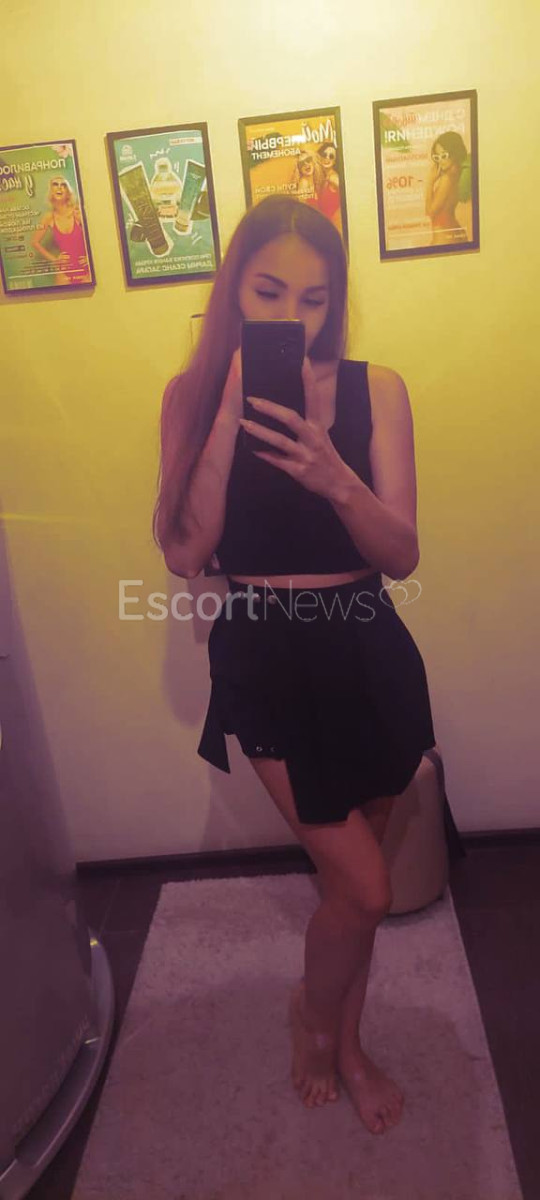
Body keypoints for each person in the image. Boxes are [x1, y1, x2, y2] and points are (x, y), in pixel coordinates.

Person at [153, 195, 464, 1136]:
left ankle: (349, 1044)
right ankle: (312, 1016)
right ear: (234, 288)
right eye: (269, 291)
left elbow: (402, 553)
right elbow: (185, 552)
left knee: (348, 896)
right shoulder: (187, 397)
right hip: (264, 650)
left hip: (367, 644)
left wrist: (335, 475)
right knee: (367, 888)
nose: (294, 315)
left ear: (337, 300)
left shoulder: (381, 389)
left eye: (316, 298)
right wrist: (225, 408)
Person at [31, 176, 91, 285]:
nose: (59, 187)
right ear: (51, 191)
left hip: (86, 271)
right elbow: (34, 242)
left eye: (63, 185)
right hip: (63, 273)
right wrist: (54, 260)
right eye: (55, 184)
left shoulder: (77, 211)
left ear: (68, 192)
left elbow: (96, 235)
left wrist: (90, 257)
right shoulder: (49, 217)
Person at [424, 131, 470, 246]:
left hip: (444, 237)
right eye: (437, 157)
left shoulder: (447, 178)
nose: (440, 160)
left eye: (444, 155)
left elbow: (430, 212)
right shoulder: (457, 173)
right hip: (452, 233)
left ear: (454, 153)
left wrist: (430, 182)